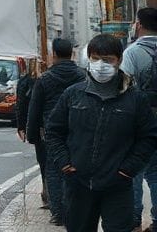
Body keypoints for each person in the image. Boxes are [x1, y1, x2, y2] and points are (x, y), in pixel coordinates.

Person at [47, 34, 157, 232]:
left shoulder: (135, 99)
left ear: (119, 61)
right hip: (78, 183)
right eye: (96, 58)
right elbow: (54, 131)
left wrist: (128, 169)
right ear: (88, 58)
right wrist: (64, 163)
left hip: (118, 185)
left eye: (108, 60)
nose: (101, 65)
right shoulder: (73, 94)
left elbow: (148, 137)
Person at [27, 38, 85, 226]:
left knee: (53, 170)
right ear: (72, 54)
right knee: (77, 169)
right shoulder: (83, 76)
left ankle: (59, 213)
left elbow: (34, 110)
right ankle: (76, 209)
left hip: (52, 132)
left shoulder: (45, 79)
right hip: (78, 129)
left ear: (54, 55)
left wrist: (33, 135)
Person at [118, 7, 157, 231]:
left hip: (138, 122)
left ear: (139, 25)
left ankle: (133, 220)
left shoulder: (132, 52)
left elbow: (122, 87)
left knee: (132, 172)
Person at [15, 59, 47, 209]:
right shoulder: (28, 82)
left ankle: (49, 191)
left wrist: (23, 127)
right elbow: (21, 105)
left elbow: (22, 105)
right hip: (41, 126)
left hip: (41, 127)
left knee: (45, 160)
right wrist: (22, 126)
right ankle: (48, 190)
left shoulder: (43, 80)